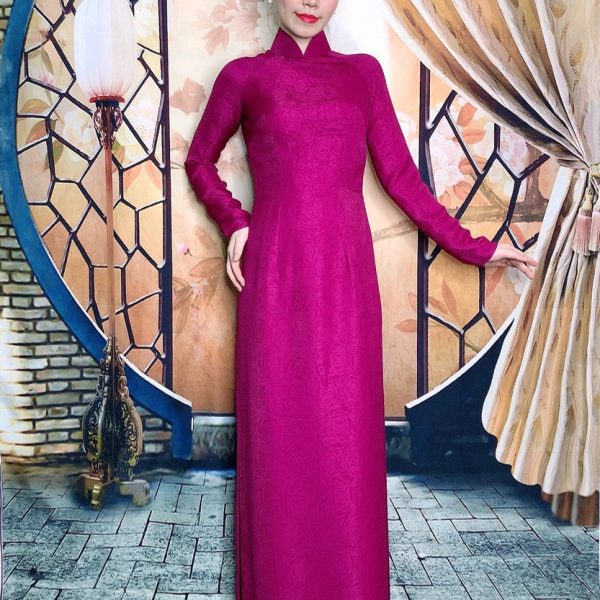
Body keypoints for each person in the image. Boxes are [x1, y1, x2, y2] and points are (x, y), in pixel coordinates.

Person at [184, 1, 538, 598]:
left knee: (345, 450)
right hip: (274, 283)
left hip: (346, 286)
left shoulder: (362, 74)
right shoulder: (244, 76)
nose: (310, 2)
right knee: (278, 451)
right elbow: (200, 161)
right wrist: (235, 221)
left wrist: (479, 249)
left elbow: (404, 183)